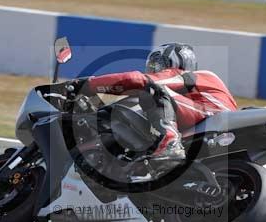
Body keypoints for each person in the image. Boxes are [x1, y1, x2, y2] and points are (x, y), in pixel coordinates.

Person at [73, 43, 238, 161]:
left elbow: (136, 79)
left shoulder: (188, 76)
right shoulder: (195, 87)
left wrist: (87, 85)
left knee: (151, 90)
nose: (154, 69)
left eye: (157, 64)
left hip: (212, 116)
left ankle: (170, 143)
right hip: (210, 128)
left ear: (170, 63)